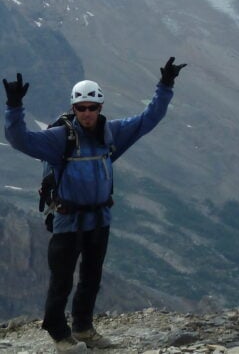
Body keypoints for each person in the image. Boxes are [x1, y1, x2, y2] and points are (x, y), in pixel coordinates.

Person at [3, 56, 186, 353]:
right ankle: (59, 333)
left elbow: (148, 118)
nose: (87, 113)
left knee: (91, 276)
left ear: (101, 107)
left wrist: (165, 85)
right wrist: (14, 107)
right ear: (73, 108)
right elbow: (19, 139)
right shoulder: (59, 138)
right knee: (61, 280)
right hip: (67, 219)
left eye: (92, 107)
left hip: (99, 219)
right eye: (81, 108)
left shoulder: (111, 133)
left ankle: (83, 327)